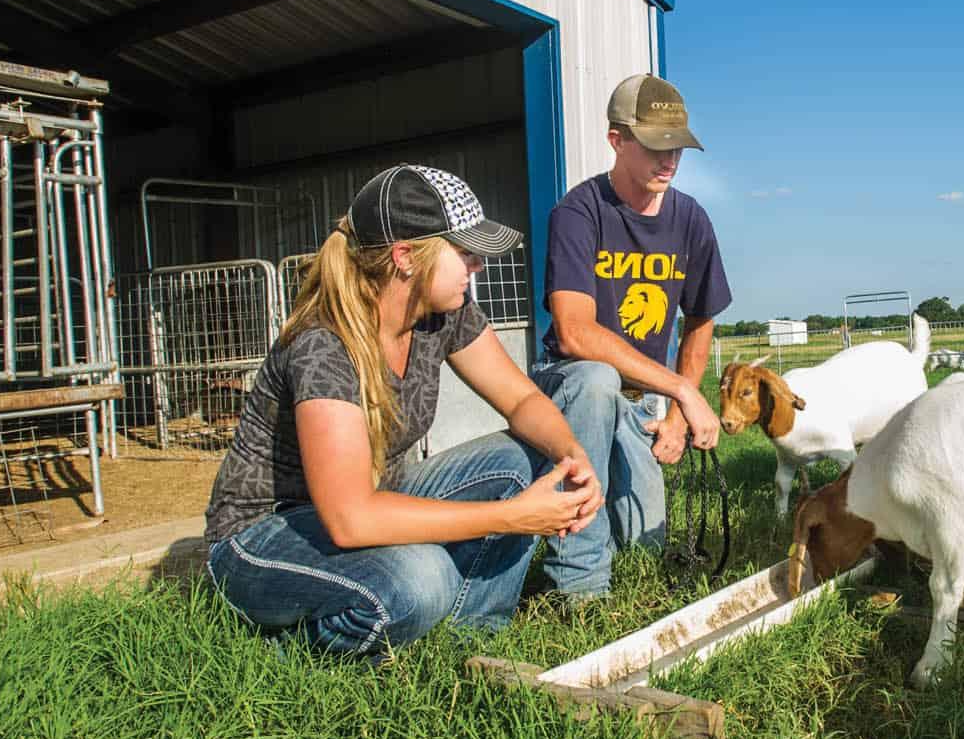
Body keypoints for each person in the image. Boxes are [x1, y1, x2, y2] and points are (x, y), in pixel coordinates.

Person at [204, 164, 604, 658]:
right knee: (422, 579)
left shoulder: (444, 314)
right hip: (266, 534)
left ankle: (465, 647)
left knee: (527, 457)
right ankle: (277, 657)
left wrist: (572, 453)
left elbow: (522, 400)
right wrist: (513, 517)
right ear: (406, 257)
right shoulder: (324, 346)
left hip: (369, 500)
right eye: (465, 253)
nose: (478, 266)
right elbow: (350, 520)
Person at [531, 73, 732, 600]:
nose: (670, 161)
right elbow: (574, 332)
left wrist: (672, 415)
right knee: (597, 379)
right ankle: (578, 590)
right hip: (574, 392)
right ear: (617, 141)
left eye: (678, 149)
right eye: (655, 146)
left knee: (647, 546)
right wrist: (686, 392)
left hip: (643, 404)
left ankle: (628, 575)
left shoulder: (690, 219)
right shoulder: (579, 213)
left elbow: (701, 318)